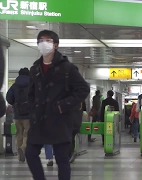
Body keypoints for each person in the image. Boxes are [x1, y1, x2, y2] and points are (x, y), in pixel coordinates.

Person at [25, 30, 90, 180]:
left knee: (62, 159)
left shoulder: (67, 68)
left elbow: (83, 89)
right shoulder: (35, 68)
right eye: (40, 41)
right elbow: (31, 93)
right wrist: (32, 108)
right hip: (39, 120)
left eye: (47, 41)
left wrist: (64, 105)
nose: (43, 44)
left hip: (59, 120)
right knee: (30, 153)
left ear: (55, 45)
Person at [6, 67, 30, 162]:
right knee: (27, 133)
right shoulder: (31, 84)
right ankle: (24, 148)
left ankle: (19, 149)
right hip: (28, 115)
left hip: (17, 114)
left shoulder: (14, 86)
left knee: (18, 133)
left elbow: (9, 98)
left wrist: (15, 105)